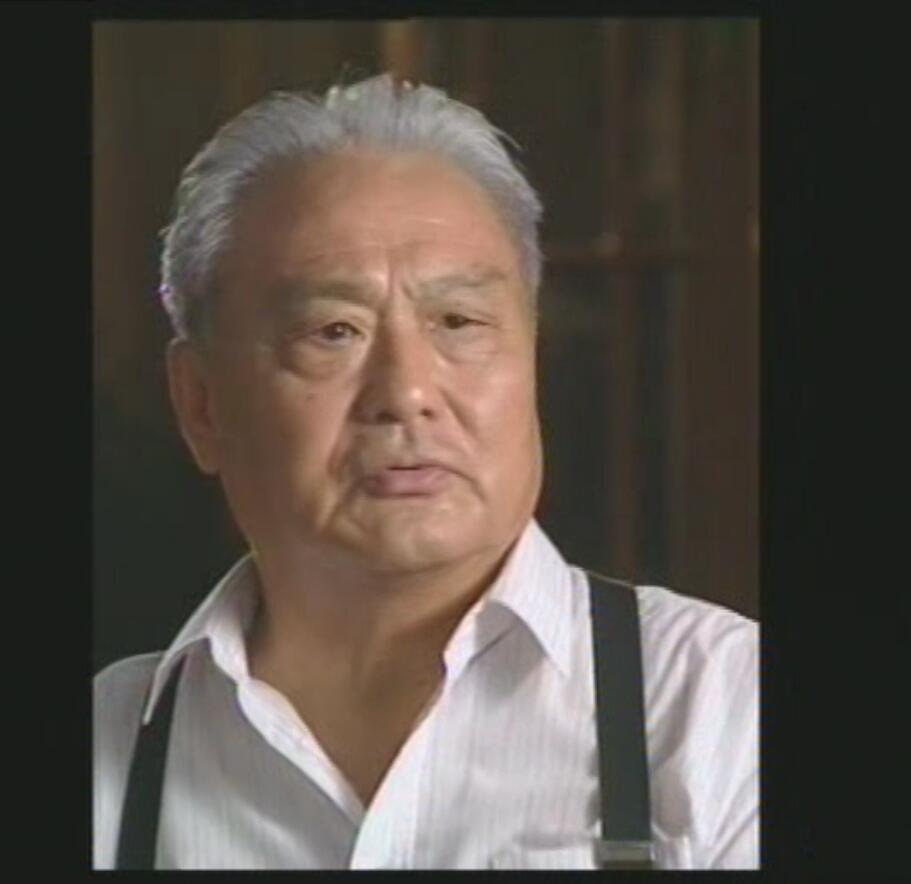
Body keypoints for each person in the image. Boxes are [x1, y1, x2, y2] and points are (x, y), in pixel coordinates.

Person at [93, 73, 758, 870]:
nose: (407, 391)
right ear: (201, 404)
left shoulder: (721, 709)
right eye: (333, 331)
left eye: (459, 321)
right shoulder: (106, 755)